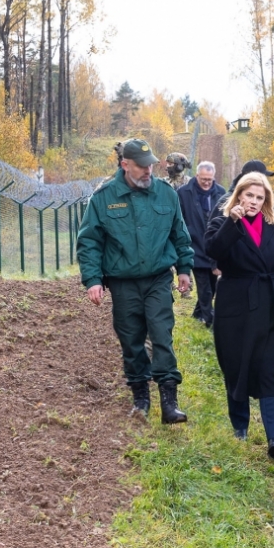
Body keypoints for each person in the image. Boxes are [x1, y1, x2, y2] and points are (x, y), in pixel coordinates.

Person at [77, 138, 196, 424]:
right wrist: (93, 279)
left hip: (157, 278)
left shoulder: (166, 194)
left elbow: (179, 234)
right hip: (122, 282)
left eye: (151, 166)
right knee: (131, 340)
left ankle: (169, 401)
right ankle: (140, 396)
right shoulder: (104, 197)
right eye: (142, 167)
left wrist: (184, 268)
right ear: (125, 165)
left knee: (161, 334)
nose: (148, 171)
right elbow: (89, 241)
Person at [205, 172, 274, 459]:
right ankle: (240, 426)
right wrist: (232, 222)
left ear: (266, 201)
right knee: (236, 366)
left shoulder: (273, 226)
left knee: (270, 369)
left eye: (259, 197)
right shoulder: (222, 221)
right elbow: (213, 250)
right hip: (234, 306)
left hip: (271, 307)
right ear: (238, 195)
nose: (253, 201)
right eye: (249, 195)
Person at [177, 160, 226, 327]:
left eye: (209, 180)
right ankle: (209, 321)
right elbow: (179, 219)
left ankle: (198, 312)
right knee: (204, 287)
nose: (206, 182)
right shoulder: (184, 193)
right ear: (197, 176)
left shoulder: (221, 193)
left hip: (214, 248)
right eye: (203, 179)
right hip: (195, 246)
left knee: (212, 287)